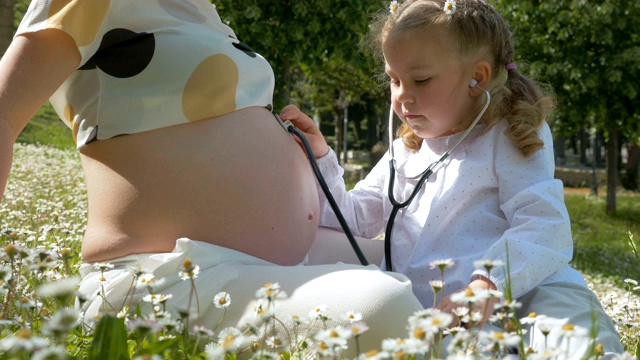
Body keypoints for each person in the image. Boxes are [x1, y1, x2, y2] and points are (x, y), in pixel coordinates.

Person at [0, 0, 425, 356]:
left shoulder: (204, 12)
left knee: (427, 262)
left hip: (275, 257)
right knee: (386, 304)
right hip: (164, 273)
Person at [280, 0, 624, 357]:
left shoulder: (510, 133)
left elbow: (543, 225)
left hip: (533, 291)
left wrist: (487, 284)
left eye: (421, 80)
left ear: (477, 77)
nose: (402, 97)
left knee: (580, 345)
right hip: (450, 314)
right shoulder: (407, 151)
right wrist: (320, 155)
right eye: (394, 80)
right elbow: (353, 220)